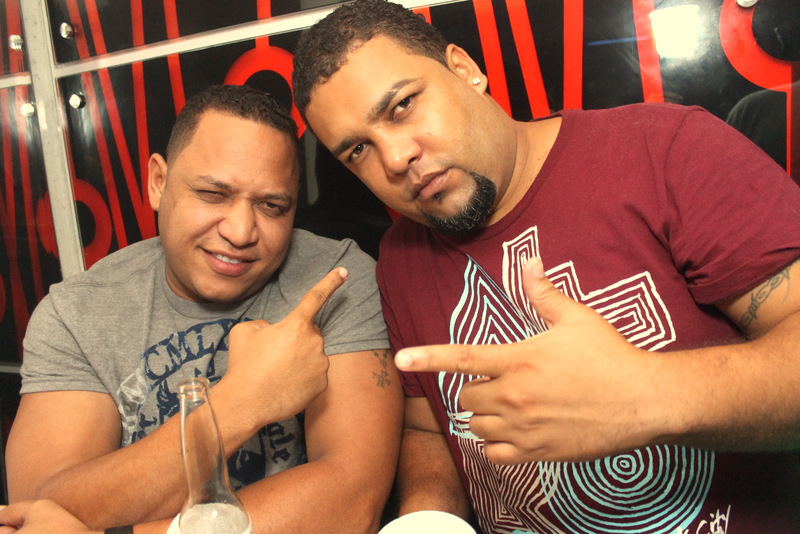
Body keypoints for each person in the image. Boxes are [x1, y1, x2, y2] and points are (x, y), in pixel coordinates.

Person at [291, 1, 800, 532]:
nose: (395, 158)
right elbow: (432, 429)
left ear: (465, 69)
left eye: (402, 107)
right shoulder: (400, 260)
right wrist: (429, 516)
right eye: (358, 150)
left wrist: (648, 394)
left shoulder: (664, 150)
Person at [5, 84, 403, 533]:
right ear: (159, 182)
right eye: (213, 194)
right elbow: (37, 512)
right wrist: (242, 401)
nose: (240, 231)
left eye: (272, 206)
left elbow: (351, 502)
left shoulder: (336, 279)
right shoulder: (77, 314)